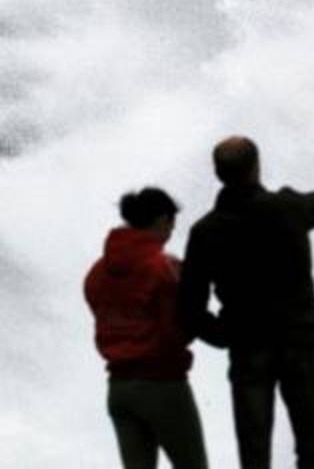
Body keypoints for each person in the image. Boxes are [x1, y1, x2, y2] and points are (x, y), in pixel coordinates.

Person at [178, 136, 314, 469]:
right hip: (302, 343)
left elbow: (189, 310)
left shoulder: (205, 233)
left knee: (254, 456)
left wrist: (226, 335)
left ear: (218, 174)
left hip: (248, 352)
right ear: (257, 167)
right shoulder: (286, 208)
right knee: (313, 451)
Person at [85, 187, 212, 469]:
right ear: (161, 220)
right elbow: (176, 331)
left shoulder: (97, 271)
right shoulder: (163, 268)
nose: (169, 236)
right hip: (162, 385)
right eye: (170, 227)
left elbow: (99, 308)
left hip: (118, 389)